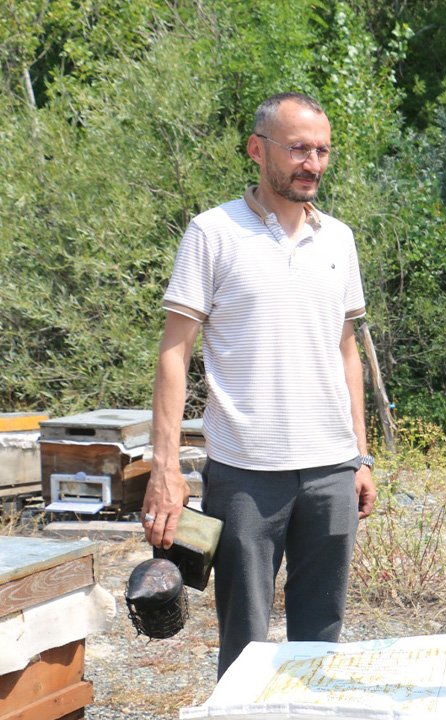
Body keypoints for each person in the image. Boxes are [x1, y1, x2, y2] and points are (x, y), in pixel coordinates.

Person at [141, 92, 377, 677]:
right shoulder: (212, 232)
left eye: (322, 150)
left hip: (330, 470)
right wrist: (165, 469)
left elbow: (345, 348)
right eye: (298, 148)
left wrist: (360, 454)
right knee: (245, 646)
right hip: (245, 472)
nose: (313, 163)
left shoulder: (339, 239)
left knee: (320, 644)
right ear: (257, 148)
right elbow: (175, 352)